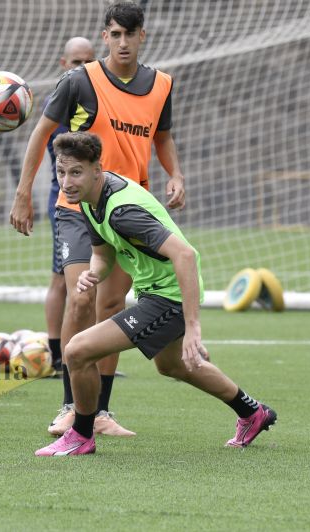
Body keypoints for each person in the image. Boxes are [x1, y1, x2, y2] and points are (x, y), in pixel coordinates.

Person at [35, 132, 276, 456]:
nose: (66, 182)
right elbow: (104, 256)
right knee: (172, 365)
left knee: (77, 351)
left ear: (97, 169)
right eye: (61, 173)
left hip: (170, 297)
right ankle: (252, 412)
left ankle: (81, 434)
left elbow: (186, 255)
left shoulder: (122, 211)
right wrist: (92, 275)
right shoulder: (91, 199)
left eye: (75, 172)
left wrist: (193, 328)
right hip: (155, 292)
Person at [10, 1, 186, 437]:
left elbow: (162, 137)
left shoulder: (161, 85)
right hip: (77, 210)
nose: (122, 42)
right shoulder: (78, 80)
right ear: (105, 36)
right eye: (114, 34)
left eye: (130, 34)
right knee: (81, 298)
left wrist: (176, 174)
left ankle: (100, 411)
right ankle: (70, 405)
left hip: (128, 211)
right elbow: (41, 132)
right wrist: (23, 193)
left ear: (142, 35)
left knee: (111, 306)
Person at [42, 37, 95, 378]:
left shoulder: (97, 101)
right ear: (64, 64)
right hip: (64, 200)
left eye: (87, 62)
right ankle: (56, 354)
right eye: (75, 62)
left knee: (95, 283)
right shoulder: (60, 105)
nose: (81, 68)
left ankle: (91, 352)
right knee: (62, 279)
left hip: (96, 200)